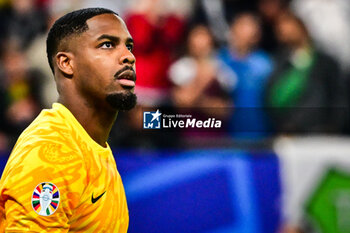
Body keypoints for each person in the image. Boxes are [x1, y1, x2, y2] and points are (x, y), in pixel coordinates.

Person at [0, 7, 136, 232]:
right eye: (107, 44)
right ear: (66, 63)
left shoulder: (92, 146)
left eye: (128, 46)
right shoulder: (51, 152)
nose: (128, 57)